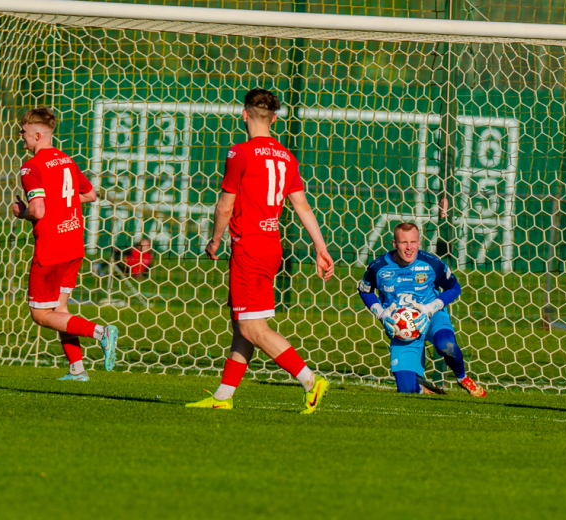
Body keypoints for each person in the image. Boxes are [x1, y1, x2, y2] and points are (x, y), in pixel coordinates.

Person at [186, 88, 335, 414]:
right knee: (243, 323)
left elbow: (225, 207)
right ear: (274, 118)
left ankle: (310, 380)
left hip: (249, 247)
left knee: (253, 327)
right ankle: (223, 396)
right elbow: (303, 206)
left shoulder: (240, 153)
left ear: (243, 115)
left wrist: (214, 241)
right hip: (271, 245)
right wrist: (320, 247)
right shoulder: (287, 157)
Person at [11, 107, 118, 381]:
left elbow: (38, 210)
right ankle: (77, 369)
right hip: (73, 244)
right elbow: (90, 195)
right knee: (60, 310)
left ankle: (100, 332)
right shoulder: (66, 160)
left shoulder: (30, 167)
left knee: (40, 314)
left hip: (51, 249)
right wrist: (60, 204)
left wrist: (21, 212)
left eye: (23, 132)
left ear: (37, 134)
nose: (20, 136)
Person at [358, 222, 486, 396]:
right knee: (405, 390)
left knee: (446, 346)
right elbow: (365, 290)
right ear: (395, 244)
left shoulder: (432, 264)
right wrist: (380, 313)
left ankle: (462, 378)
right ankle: (422, 387)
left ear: (419, 241)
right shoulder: (378, 267)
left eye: (413, 242)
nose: (409, 248)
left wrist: (431, 308)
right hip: (401, 326)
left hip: (431, 316)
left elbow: (454, 288)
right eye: (404, 243)